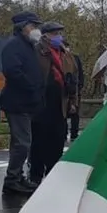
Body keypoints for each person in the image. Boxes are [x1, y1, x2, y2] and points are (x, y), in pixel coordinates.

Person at [0, 12, 46, 195]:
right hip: (17, 102)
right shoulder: (14, 46)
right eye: (33, 26)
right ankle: (12, 179)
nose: (36, 30)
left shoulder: (28, 46)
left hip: (26, 102)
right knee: (22, 144)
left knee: (21, 143)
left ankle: (17, 177)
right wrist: (32, 86)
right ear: (22, 26)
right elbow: (13, 71)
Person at [28, 21, 70, 185]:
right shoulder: (38, 51)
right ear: (45, 35)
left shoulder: (64, 52)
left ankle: (53, 173)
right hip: (42, 101)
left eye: (60, 33)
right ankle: (36, 175)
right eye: (55, 33)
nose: (59, 37)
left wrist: (72, 99)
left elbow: (71, 74)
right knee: (39, 140)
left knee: (58, 139)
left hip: (60, 101)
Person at [62, 39, 84, 141]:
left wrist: (79, 87)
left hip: (75, 89)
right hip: (65, 90)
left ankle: (74, 134)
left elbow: (80, 74)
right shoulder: (60, 58)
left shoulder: (75, 58)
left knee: (75, 113)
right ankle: (64, 132)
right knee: (64, 114)